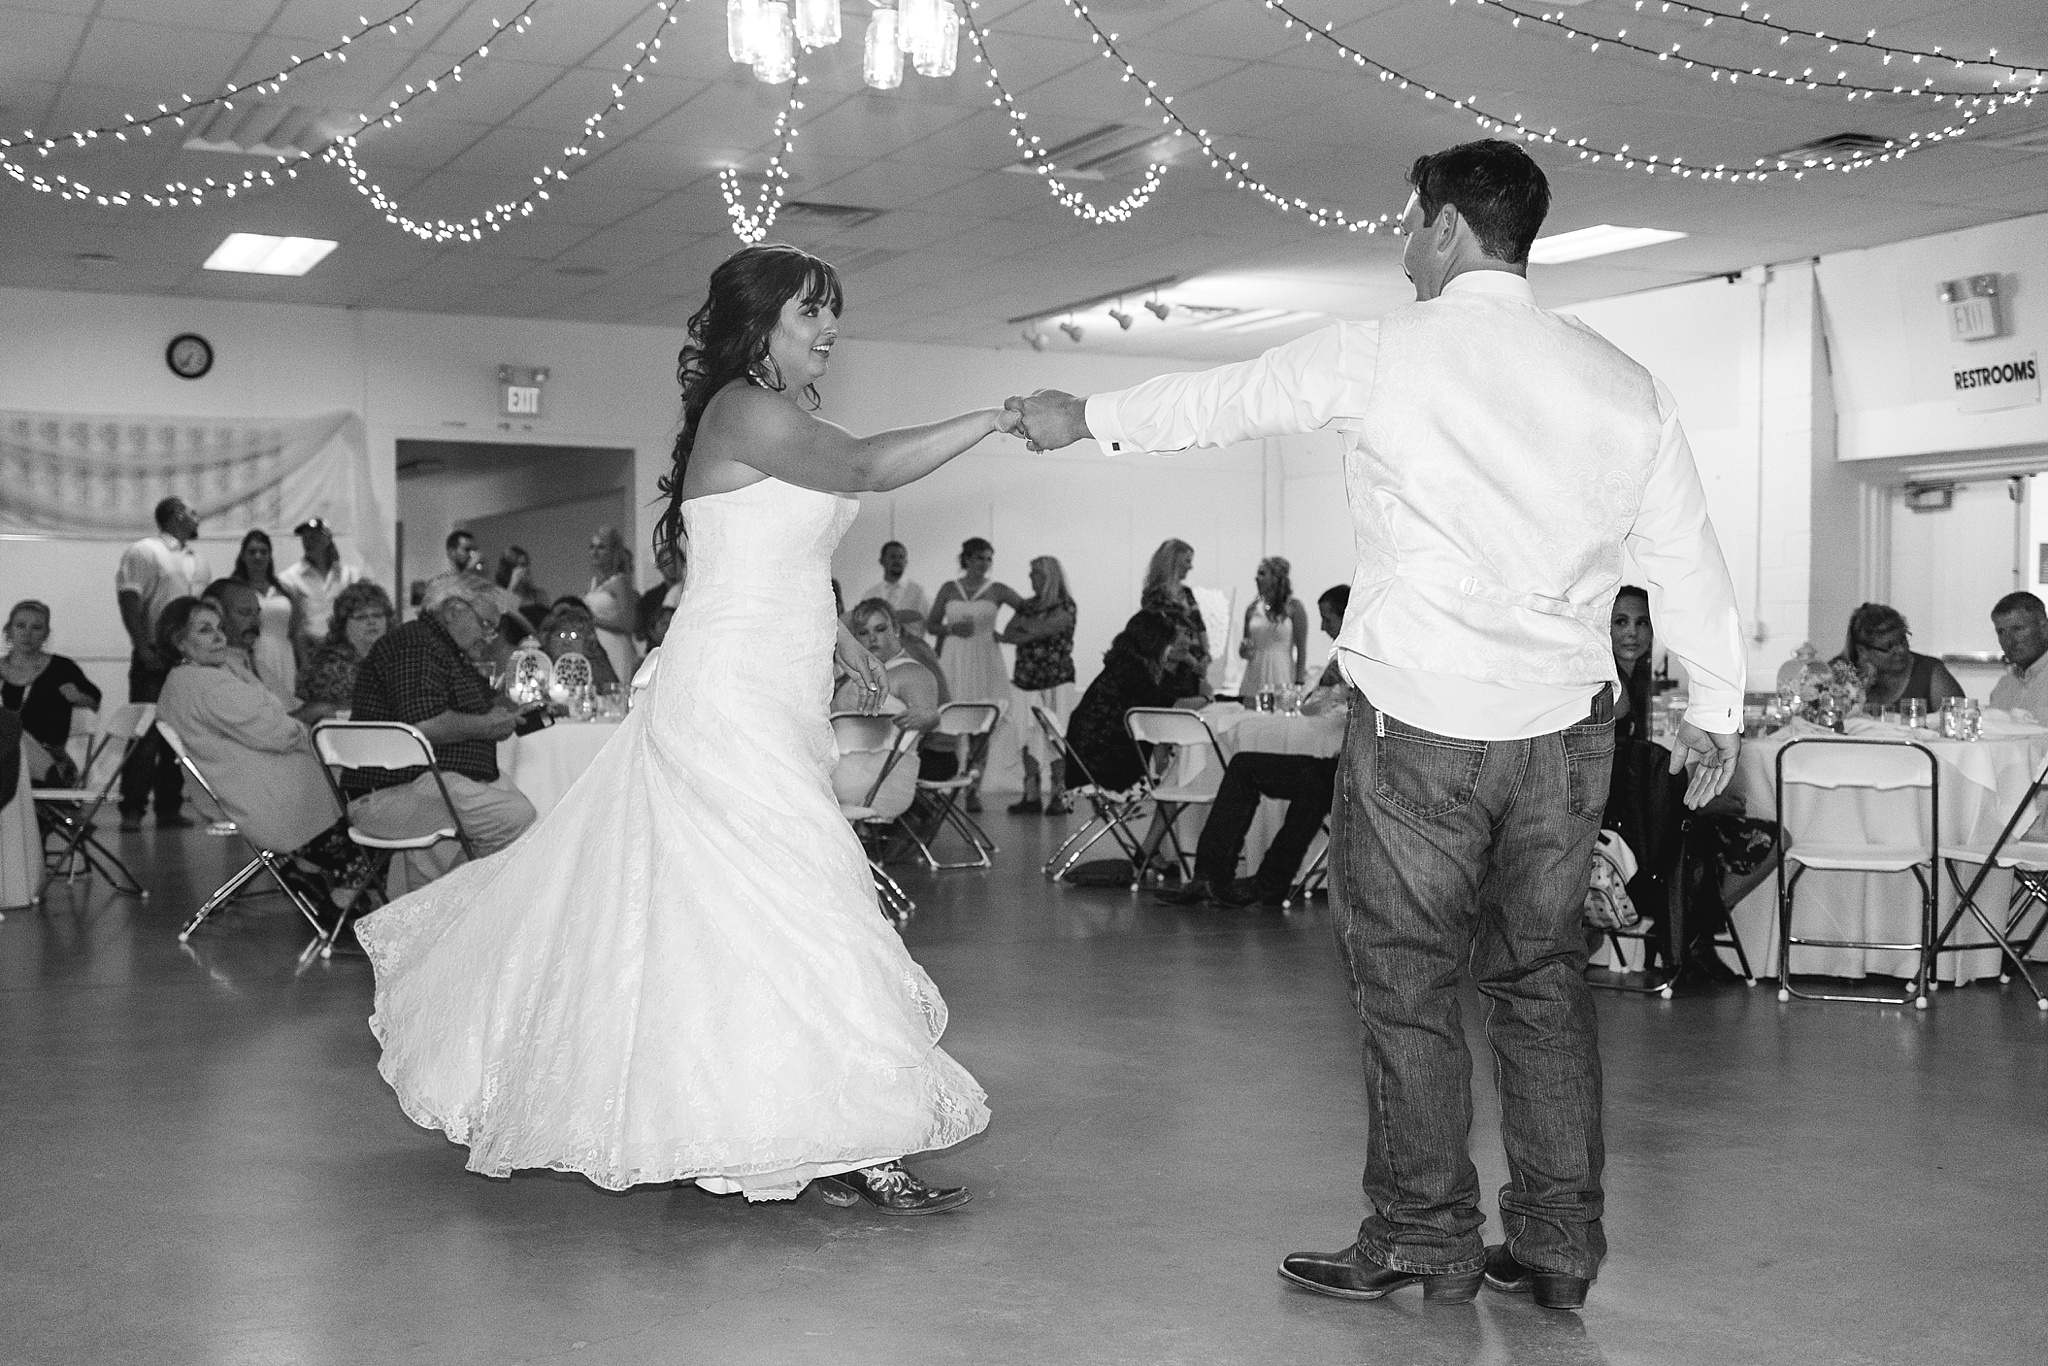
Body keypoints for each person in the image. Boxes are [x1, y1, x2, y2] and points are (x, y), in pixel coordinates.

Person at [1008, 139, 1745, 1311]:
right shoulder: (1620, 380)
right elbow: (1685, 558)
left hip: (1424, 731)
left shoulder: (1382, 353)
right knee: (1541, 984)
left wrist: (1080, 415)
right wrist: (1715, 707)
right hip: (1562, 739)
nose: (1401, 244)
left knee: (1406, 987)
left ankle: (1423, 1236)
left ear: (1447, 228)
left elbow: (1223, 398)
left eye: (1408, 223)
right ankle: (1557, 1248)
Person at [353, 242, 1012, 1210]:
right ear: (759, 323)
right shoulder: (744, 408)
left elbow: (772, 560)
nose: (829, 326)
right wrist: (999, 415)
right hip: (728, 690)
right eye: (810, 310)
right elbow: (868, 465)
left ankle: (787, 1123)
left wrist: (844, 645)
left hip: (773, 682)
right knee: (805, 892)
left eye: (833, 309)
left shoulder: (783, 416)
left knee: (741, 907)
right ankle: (850, 1135)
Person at [153, 596, 374, 914]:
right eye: (204, 630)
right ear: (180, 642)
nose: (219, 637)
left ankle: (312, 872)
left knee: (361, 794)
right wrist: (309, 734)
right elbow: (277, 731)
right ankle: (341, 901)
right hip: (274, 798)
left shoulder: (186, 681)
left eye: (218, 628)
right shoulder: (207, 684)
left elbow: (270, 720)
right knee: (376, 815)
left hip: (254, 790)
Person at [344, 575, 539, 896]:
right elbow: (424, 724)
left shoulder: (444, 651)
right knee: (516, 816)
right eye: (485, 624)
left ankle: (433, 910)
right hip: (394, 792)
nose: (489, 637)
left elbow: (470, 710)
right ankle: (448, 910)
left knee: (532, 816)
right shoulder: (414, 645)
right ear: (453, 610)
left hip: (433, 784)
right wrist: (486, 725)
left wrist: (500, 714)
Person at [1164, 586, 1352, 909]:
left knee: (1315, 785)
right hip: (1334, 763)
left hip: (1351, 768)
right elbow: (1313, 707)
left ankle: (1267, 882)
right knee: (1243, 765)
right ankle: (1212, 875)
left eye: (1328, 618)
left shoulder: (1369, 658)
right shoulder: (1349, 656)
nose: (1323, 627)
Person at [115, 496, 212, 831]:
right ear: (175, 516)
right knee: (146, 735)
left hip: (187, 656)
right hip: (154, 653)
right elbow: (129, 597)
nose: (198, 517)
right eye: (192, 511)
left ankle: (169, 807)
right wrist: (142, 646)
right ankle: (132, 809)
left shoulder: (197, 560)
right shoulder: (145, 551)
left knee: (178, 734)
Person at [925, 538, 1024, 811]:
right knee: (949, 723)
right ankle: (943, 781)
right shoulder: (949, 588)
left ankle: (973, 788)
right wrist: (950, 630)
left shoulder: (998, 590)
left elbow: (1027, 609)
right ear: (966, 559)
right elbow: (931, 624)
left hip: (985, 658)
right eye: (980, 557)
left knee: (982, 725)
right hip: (955, 658)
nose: (985, 563)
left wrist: (1008, 633)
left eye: (989, 558)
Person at [832, 599, 941, 816]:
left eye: (880, 629)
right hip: (844, 772)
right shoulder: (853, 674)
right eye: (862, 633)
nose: (872, 638)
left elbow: (931, 717)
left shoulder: (914, 673)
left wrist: (927, 717)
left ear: (897, 630)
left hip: (882, 780)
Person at [999, 555, 1077, 814]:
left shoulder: (1065, 606)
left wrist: (1029, 629)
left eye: (1035, 573)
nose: (1031, 578)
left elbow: (1038, 631)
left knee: (1057, 736)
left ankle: (1058, 792)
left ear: (1049, 576)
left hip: (1056, 680)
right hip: (1026, 680)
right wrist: (1030, 628)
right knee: (1026, 736)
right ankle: (1031, 793)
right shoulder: (1027, 605)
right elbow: (1009, 634)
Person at [0, 600, 101, 785]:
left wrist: (80, 697)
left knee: (7, 727)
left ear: (45, 635)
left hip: (50, 762)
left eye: (36, 628)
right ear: (8, 631)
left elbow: (95, 699)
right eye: (20, 625)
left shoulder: (62, 668)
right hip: (6, 761)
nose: (27, 633)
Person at [296, 581, 395, 724]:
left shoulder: (395, 657)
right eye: (361, 617)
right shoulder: (328, 665)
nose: (371, 622)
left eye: (377, 615)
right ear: (343, 624)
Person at [1837, 603, 1962, 712]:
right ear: (1862, 651)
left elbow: (1958, 719)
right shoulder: (1841, 673)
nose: (1901, 650)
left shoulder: (1930, 672)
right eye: (1889, 646)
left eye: (1903, 640)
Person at [229, 529, 303, 705]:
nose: (258, 556)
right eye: (252, 551)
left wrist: (304, 665)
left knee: (286, 702)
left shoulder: (285, 589)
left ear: (270, 556)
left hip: (284, 653)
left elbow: (296, 630)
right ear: (243, 556)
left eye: (263, 551)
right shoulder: (235, 589)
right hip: (252, 652)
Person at [277, 517, 362, 668]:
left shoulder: (350, 576)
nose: (309, 541)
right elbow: (293, 625)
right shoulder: (289, 578)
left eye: (315, 537)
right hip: (308, 652)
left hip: (346, 650)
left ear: (328, 539)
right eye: (306, 538)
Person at [1142, 539, 1211, 700]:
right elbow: (1163, 636)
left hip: (1193, 669)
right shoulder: (1155, 595)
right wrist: (1192, 661)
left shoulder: (1186, 593)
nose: (1190, 566)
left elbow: (1199, 626)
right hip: (1172, 667)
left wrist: (1206, 655)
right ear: (1174, 560)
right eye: (1187, 561)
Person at [1239, 556, 1309, 697]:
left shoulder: (1294, 607)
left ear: (1276, 578)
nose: (1257, 578)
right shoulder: (1252, 609)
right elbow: (1246, 648)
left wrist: (1299, 681)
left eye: (1262, 574)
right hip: (1255, 670)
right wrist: (1244, 650)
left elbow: (1301, 648)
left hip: (1281, 670)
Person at [584, 525, 641, 685]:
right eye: (592, 547)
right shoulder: (594, 583)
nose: (595, 552)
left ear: (613, 552)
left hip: (615, 648)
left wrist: (591, 621)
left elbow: (628, 623)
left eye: (601, 547)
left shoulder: (620, 582)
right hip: (597, 650)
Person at [536, 600, 623, 691]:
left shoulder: (596, 666)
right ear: (547, 638)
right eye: (561, 635)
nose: (567, 642)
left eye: (574, 636)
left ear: (587, 641)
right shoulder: (540, 664)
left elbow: (612, 693)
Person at [1990, 591, 2048, 718]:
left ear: (2044, 628)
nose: (2009, 639)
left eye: (2018, 629)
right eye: (2001, 632)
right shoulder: (2004, 686)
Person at [1611, 585, 1656, 742]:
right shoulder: (1609, 690)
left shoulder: (1633, 681)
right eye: (1621, 622)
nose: (1632, 632)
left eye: (1642, 622)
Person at [861, 540, 930, 638]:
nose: (897, 561)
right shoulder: (870, 595)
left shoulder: (918, 591)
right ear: (881, 561)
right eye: (892, 557)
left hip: (911, 649)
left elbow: (928, 621)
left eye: (901, 557)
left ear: (906, 562)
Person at [636, 540, 686, 649]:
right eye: (666, 562)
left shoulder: (691, 592)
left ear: (683, 563)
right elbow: (640, 632)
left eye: (675, 561)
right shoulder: (649, 598)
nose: (671, 566)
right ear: (660, 566)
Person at [495, 546, 549, 633]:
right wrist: (512, 585)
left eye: (524, 565)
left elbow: (547, 624)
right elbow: (498, 621)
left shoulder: (538, 594)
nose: (523, 570)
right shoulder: (498, 594)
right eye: (516, 566)